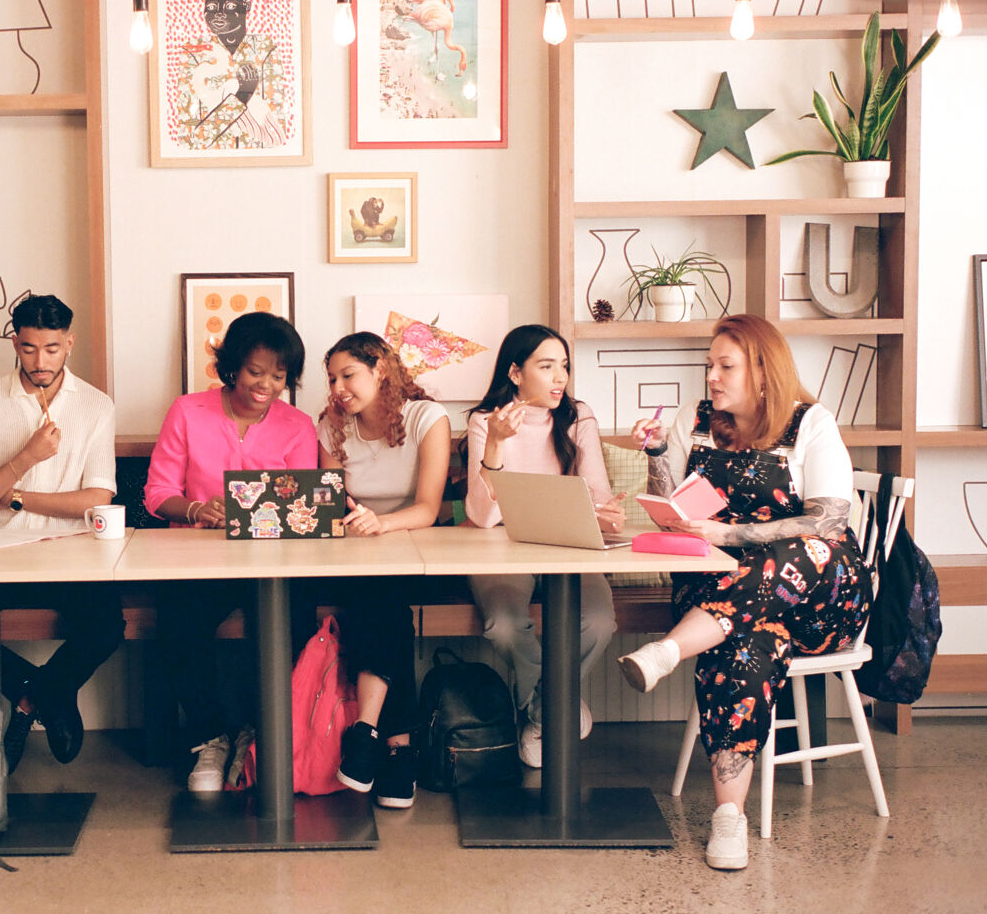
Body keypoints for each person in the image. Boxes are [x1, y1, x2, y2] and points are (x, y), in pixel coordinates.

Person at [616, 314, 873, 871]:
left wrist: (730, 535)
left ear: (762, 371)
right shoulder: (697, 419)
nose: (711, 376)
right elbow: (676, 510)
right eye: (709, 364)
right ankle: (729, 816)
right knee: (747, 641)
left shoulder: (811, 423)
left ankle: (669, 649)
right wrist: (659, 453)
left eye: (724, 365)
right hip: (727, 600)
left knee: (807, 550)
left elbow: (828, 522)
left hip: (819, 600)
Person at [0, 295, 125, 772]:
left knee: (106, 627)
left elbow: (98, 499)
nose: (41, 362)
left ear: (69, 345)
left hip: (72, 552)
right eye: (30, 348)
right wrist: (26, 458)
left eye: (52, 349)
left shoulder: (96, 406)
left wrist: (14, 496)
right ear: (15, 343)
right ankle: (45, 694)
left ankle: (31, 703)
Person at [144, 311, 317, 790]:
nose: (266, 385)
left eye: (279, 376)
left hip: (273, 561)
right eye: (256, 372)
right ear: (233, 367)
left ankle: (265, 737)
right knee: (180, 618)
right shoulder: (187, 411)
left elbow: (303, 506)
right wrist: (198, 509)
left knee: (294, 619)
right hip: (198, 557)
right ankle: (210, 735)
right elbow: (157, 493)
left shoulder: (298, 425)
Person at [463, 324, 624, 768]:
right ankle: (555, 704)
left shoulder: (578, 417)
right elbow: (482, 516)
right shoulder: (485, 421)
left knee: (598, 621)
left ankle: (541, 708)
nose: (560, 378)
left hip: (569, 547)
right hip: (502, 548)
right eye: (547, 366)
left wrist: (605, 513)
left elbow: (596, 494)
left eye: (564, 367)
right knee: (503, 625)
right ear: (515, 372)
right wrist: (495, 443)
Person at [316, 332, 450, 809]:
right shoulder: (331, 425)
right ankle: (397, 748)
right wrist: (354, 519)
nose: (338, 388)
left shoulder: (426, 418)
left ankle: (367, 730)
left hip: (416, 543)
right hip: (355, 549)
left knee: (382, 597)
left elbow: (430, 508)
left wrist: (381, 523)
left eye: (348, 375)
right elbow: (328, 500)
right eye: (332, 378)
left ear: (382, 371)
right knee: (380, 601)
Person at [174, 0, 286, 150]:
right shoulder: (194, 52)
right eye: (211, 7)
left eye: (230, 6)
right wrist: (242, 96)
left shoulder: (264, 49)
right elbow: (190, 140)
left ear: (246, 6)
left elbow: (277, 136)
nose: (218, 13)